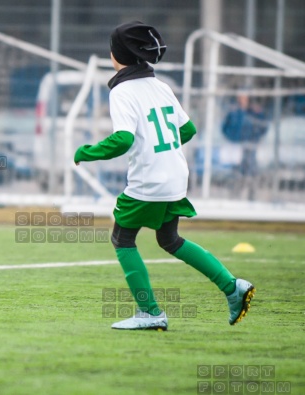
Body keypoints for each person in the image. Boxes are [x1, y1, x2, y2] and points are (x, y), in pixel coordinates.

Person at [74, 21, 255, 330]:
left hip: (149, 181)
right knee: (169, 239)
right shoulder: (160, 86)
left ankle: (150, 312)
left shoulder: (121, 90)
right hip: (174, 176)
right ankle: (232, 286)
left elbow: (123, 140)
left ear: (115, 55)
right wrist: (161, 149)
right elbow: (188, 129)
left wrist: (86, 152)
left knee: (122, 238)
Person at [221, 93, 268, 199]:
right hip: (236, 147)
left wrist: (255, 138)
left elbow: (263, 126)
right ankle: (235, 195)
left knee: (251, 172)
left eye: (244, 97)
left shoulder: (254, 112)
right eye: (240, 97)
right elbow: (225, 128)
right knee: (236, 173)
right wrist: (232, 138)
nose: (242, 100)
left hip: (250, 148)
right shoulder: (234, 112)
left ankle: (252, 196)